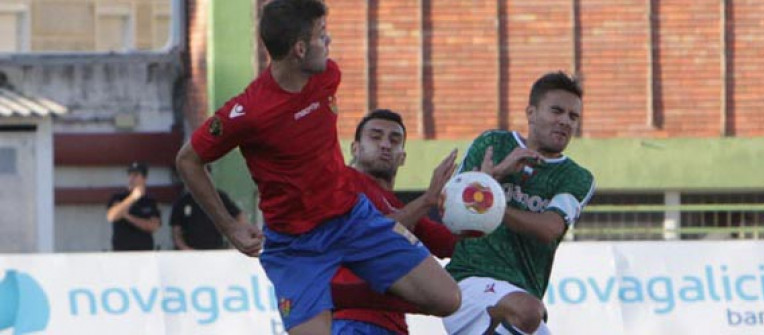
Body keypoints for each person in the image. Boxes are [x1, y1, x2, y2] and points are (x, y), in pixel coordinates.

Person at [173, 1, 460, 333]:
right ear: (299, 48)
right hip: (296, 247)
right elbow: (187, 160)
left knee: (448, 299)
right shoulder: (249, 112)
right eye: (322, 35)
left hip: (353, 221)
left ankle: (346, 299)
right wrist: (230, 227)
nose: (330, 41)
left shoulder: (327, 76)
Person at [443, 72, 596, 335]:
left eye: (573, 117)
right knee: (528, 310)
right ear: (531, 112)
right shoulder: (493, 143)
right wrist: (499, 173)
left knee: (528, 312)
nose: (565, 122)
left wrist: (491, 202)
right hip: (469, 282)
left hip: (521, 296)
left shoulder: (577, 177)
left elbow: (550, 229)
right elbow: (450, 206)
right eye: (556, 111)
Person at [331, 109, 464, 335]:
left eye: (394, 140)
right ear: (355, 148)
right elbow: (371, 236)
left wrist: (482, 201)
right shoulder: (344, 182)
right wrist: (427, 199)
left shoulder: (401, 208)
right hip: (351, 320)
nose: (385, 145)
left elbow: (453, 245)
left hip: (392, 326)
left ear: (402, 156)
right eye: (375, 136)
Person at [169, 182, 246, 250]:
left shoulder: (219, 197)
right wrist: (184, 248)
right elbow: (176, 231)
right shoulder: (182, 201)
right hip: (191, 252)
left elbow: (239, 216)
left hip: (217, 250)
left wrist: (235, 243)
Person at [105, 162, 162, 251]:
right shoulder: (118, 197)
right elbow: (111, 216)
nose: (131, 179)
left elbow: (153, 226)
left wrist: (127, 217)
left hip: (144, 253)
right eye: (130, 175)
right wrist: (132, 198)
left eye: (135, 175)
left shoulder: (150, 201)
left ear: (144, 178)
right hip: (121, 253)